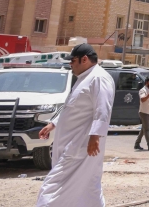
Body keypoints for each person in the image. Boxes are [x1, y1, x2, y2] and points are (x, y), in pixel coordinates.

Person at [35, 43, 115, 207]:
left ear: (84, 59)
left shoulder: (99, 78)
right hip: (73, 143)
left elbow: (103, 108)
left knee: (52, 187)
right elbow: (73, 108)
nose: (70, 64)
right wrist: (53, 124)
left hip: (81, 145)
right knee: (87, 187)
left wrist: (95, 136)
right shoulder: (84, 79)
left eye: (73, 60)